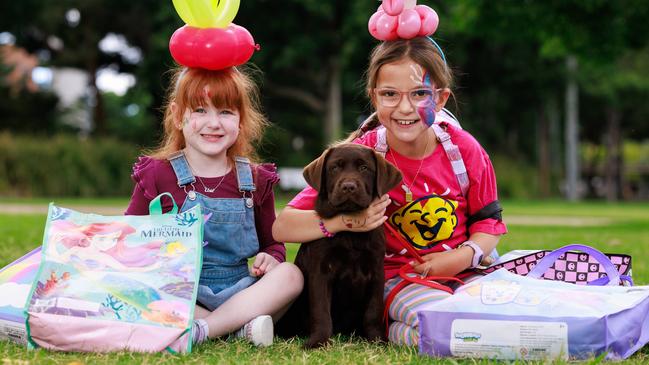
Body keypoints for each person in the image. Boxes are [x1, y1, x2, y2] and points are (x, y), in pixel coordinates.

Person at [272, 23, 507, 345]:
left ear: (440, 99)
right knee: (448, 327)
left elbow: (490, 224)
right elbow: (285, 226)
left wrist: (463, 257)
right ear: (374, 98)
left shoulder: (464, 150)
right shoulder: (365, 154)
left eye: (420, 94)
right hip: (402, 280)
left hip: (465, 271)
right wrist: (348, 221)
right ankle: (404, 330)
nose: (405, 107)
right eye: (390, 95)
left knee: (510, 310)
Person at [125, 66, 303, 347]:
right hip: (181, 290)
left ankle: (201, 331)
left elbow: (273, 244)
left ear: (241, 120)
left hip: (241, 290)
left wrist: (272, 257)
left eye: (225, 112)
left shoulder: (255, 179)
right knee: (139, 284)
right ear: (177, 115)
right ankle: (235, 329)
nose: (214, 123)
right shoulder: (158, 173)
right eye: (199, 110)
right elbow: (129, 234)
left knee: (291, 275)